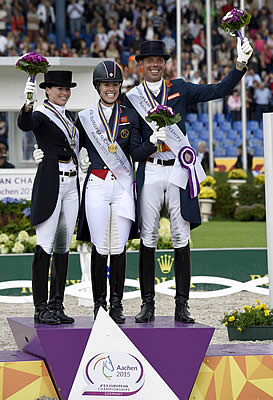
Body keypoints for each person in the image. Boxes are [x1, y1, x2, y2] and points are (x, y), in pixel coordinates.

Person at [124, 38, 253, 324]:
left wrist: (240, 66)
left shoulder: (179, 88)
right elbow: (127, 137)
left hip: (178, 168)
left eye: (160, 60)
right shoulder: (131, 97)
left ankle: (182, 304)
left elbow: (218, 90)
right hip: (150, 167)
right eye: (150, 60)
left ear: (165, 63)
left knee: (182, 236)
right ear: (141, 64)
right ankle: (148, 303)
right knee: (148, 237)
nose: (155, 64)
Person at [76, 61, 159, 324]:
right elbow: (73, 147)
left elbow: (134, 153)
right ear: (97, 86)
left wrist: (153, 143)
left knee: (119, 246)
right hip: (98, 184)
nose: (110, 89)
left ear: (119, 86)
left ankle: (117, 304)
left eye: (114, 84)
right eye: (105, 84)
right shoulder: (85, 117)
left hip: (122, 185)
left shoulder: (130, 115)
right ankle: (99, 304)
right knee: (100, 246)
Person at [17, 70, 80, 325]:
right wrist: (26, 106)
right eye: (58, 89)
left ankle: (57, 304)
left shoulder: (71, 117)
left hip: (72, 183)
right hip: (52, 180)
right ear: (47, 91)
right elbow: (25, 125)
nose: (63, 93)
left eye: (66, 89)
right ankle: (40, 307)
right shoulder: (41, 114)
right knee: (45, 245)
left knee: (64, 246)